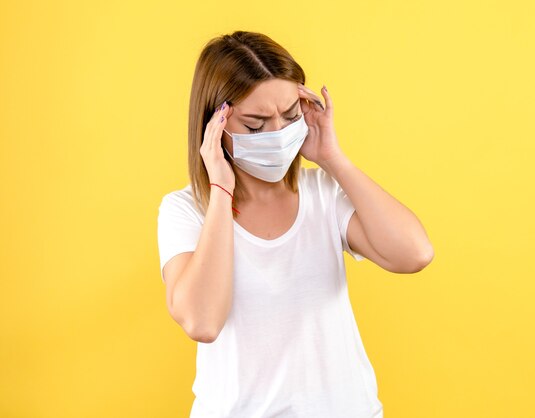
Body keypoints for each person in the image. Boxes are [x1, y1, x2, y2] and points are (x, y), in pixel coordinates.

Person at [157, 30, 434, 418]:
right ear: (214, 125)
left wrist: (333, 157)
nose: (277, 134)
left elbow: (414, 253)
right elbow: (202, 321)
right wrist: (220, 187)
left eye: (289, 116)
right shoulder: (186, 210)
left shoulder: (323, 193)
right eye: (255, 126)